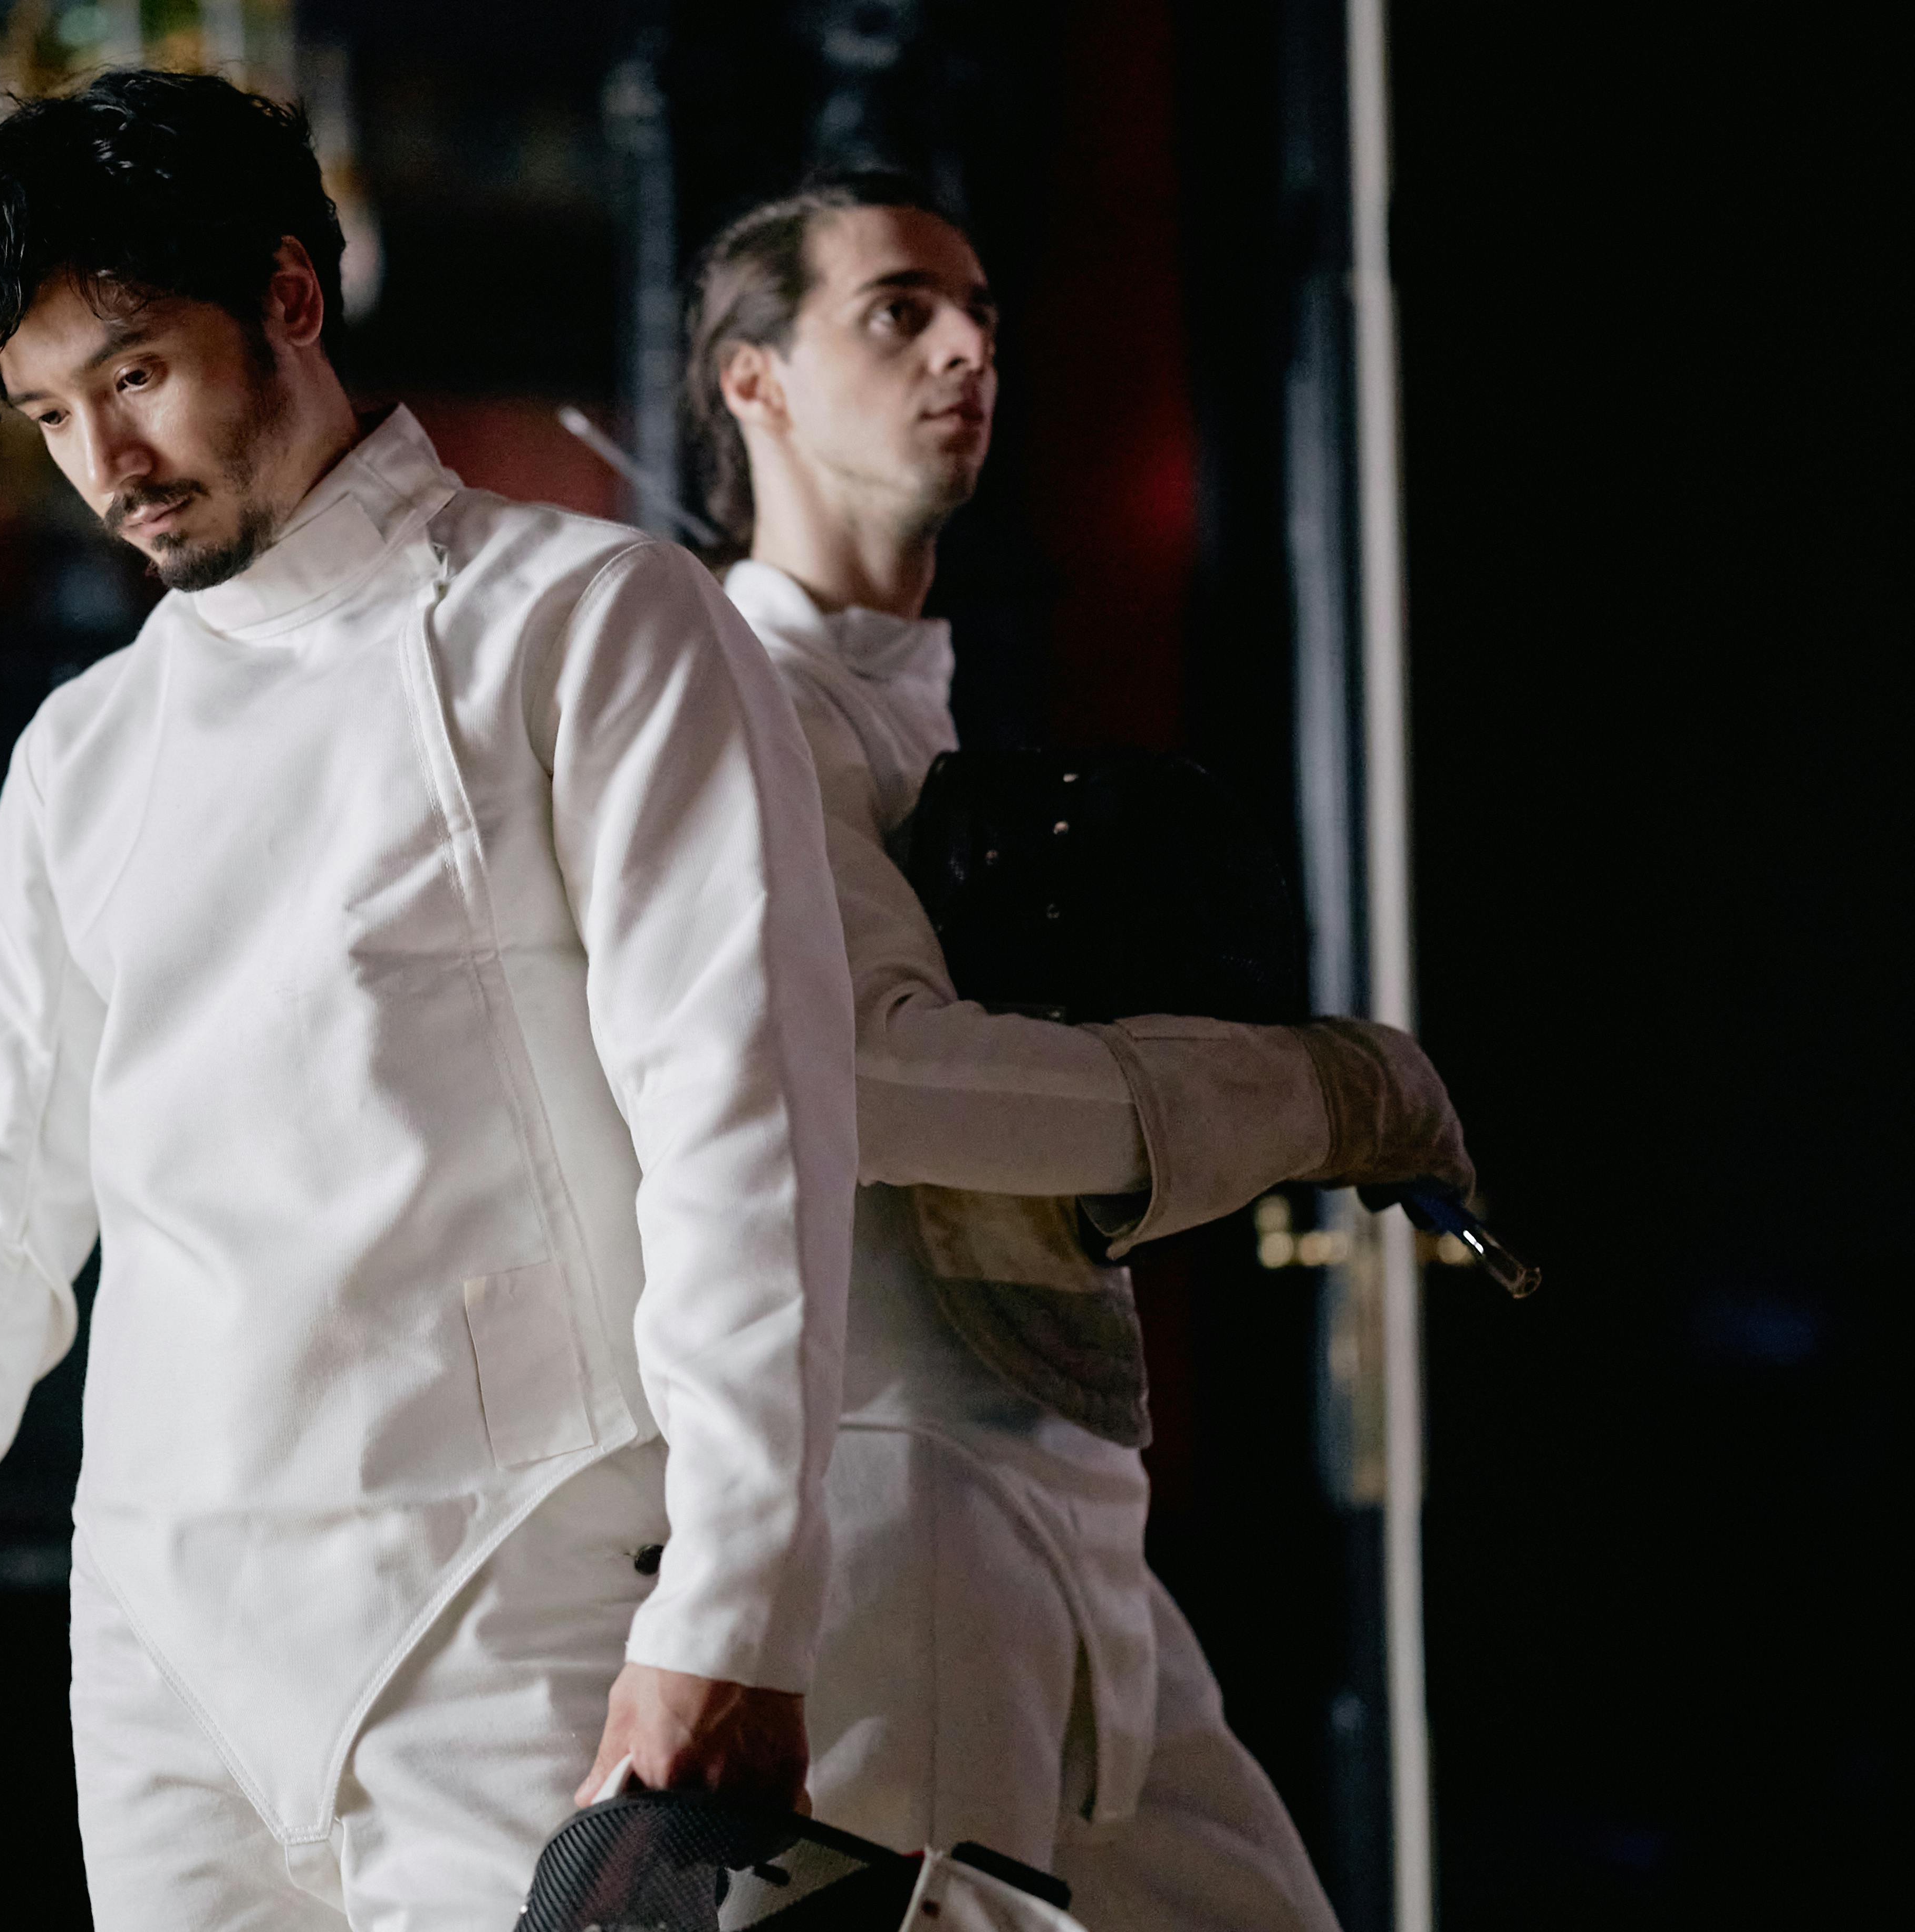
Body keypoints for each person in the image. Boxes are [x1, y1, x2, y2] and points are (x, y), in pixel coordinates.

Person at [0, 72, 857, 1930]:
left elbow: (749, 1135)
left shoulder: (589, 625)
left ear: (293, 297)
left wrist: (733, 1613)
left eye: (138, 372)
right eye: (50, 414)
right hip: (156, 1661)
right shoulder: (83, 756)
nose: (106, 462)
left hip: (511, 1617)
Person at [686, 171, 1471, 1929]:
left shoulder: (905, 702)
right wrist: (1308, 1093)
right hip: (903, 1504)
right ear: (755, 381)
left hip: (1053, 1491)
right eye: (897, 312)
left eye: (978, 310)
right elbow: (871, 1079)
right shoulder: (735, 700)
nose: (968, 344)